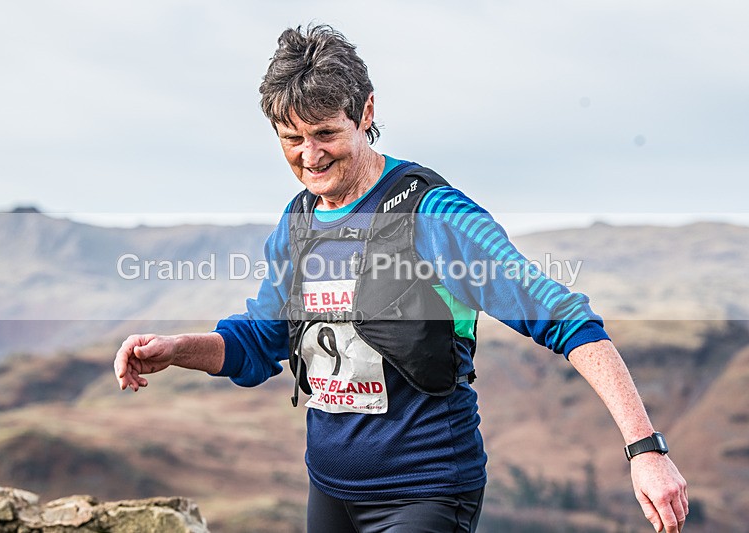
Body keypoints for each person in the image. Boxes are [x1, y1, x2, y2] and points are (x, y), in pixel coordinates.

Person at [114, 24, 688, 533]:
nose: (309, 156)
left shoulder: (435, 215)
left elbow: (565, 318)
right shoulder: (298, 223)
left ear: (366, 112)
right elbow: (261, 340)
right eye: (292, 139)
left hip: (428, 493)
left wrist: (646, 450)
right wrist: (177, 349)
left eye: (325, 133)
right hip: (330, 493)